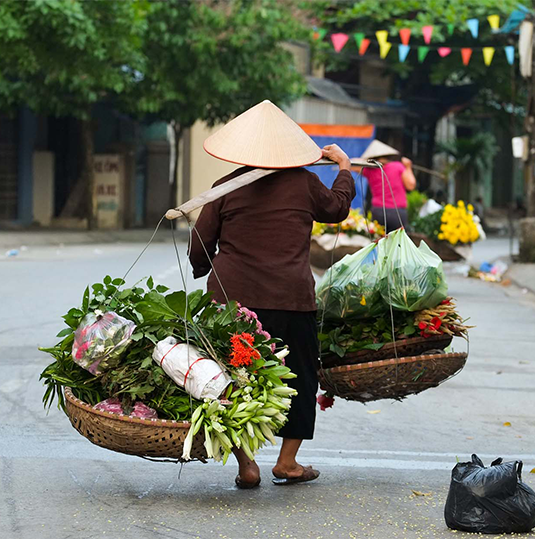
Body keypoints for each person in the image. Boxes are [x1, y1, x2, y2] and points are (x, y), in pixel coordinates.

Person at [189, 100, 355, 489]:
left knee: (231, 379)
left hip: (232, 302)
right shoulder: (304, 183)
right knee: (298, 376)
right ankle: (288, 461)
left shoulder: (224, 188)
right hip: (290, 299)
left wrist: (207, 270)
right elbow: (337, 207)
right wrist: (345, 168)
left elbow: (200, 245)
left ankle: (247, 464)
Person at [353, 140, 416, 232]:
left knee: (379, 241)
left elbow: (352, 163)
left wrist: (367, 162)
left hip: (378, 212)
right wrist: (408, 166)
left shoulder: (370, 170)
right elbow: (411, 185)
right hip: (397, 212)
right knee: (397, 243)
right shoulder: (397, 166)